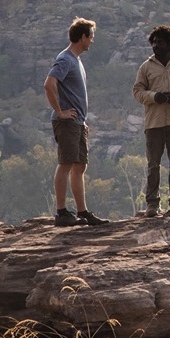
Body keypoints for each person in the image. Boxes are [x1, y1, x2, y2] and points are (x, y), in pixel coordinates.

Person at [44, 17, 106, 226]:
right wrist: (60, 112)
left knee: (79, 166)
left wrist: (81, 119)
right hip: (67, 122)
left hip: (78, 122)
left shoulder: (76, 60)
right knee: (66, 164)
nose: (92, 41)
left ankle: (82, 212)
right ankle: (61, 213)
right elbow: (49, 84)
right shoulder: (65, 59)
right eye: (91, 37)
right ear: (83, 37)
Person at [133, 25, 170, 220]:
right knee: (153, 165)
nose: (156, 45)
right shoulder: (146, 67)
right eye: (154, 42)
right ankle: (152, 204)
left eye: (161, 42)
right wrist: (154, 96)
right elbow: (137, 92)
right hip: (154, 123)